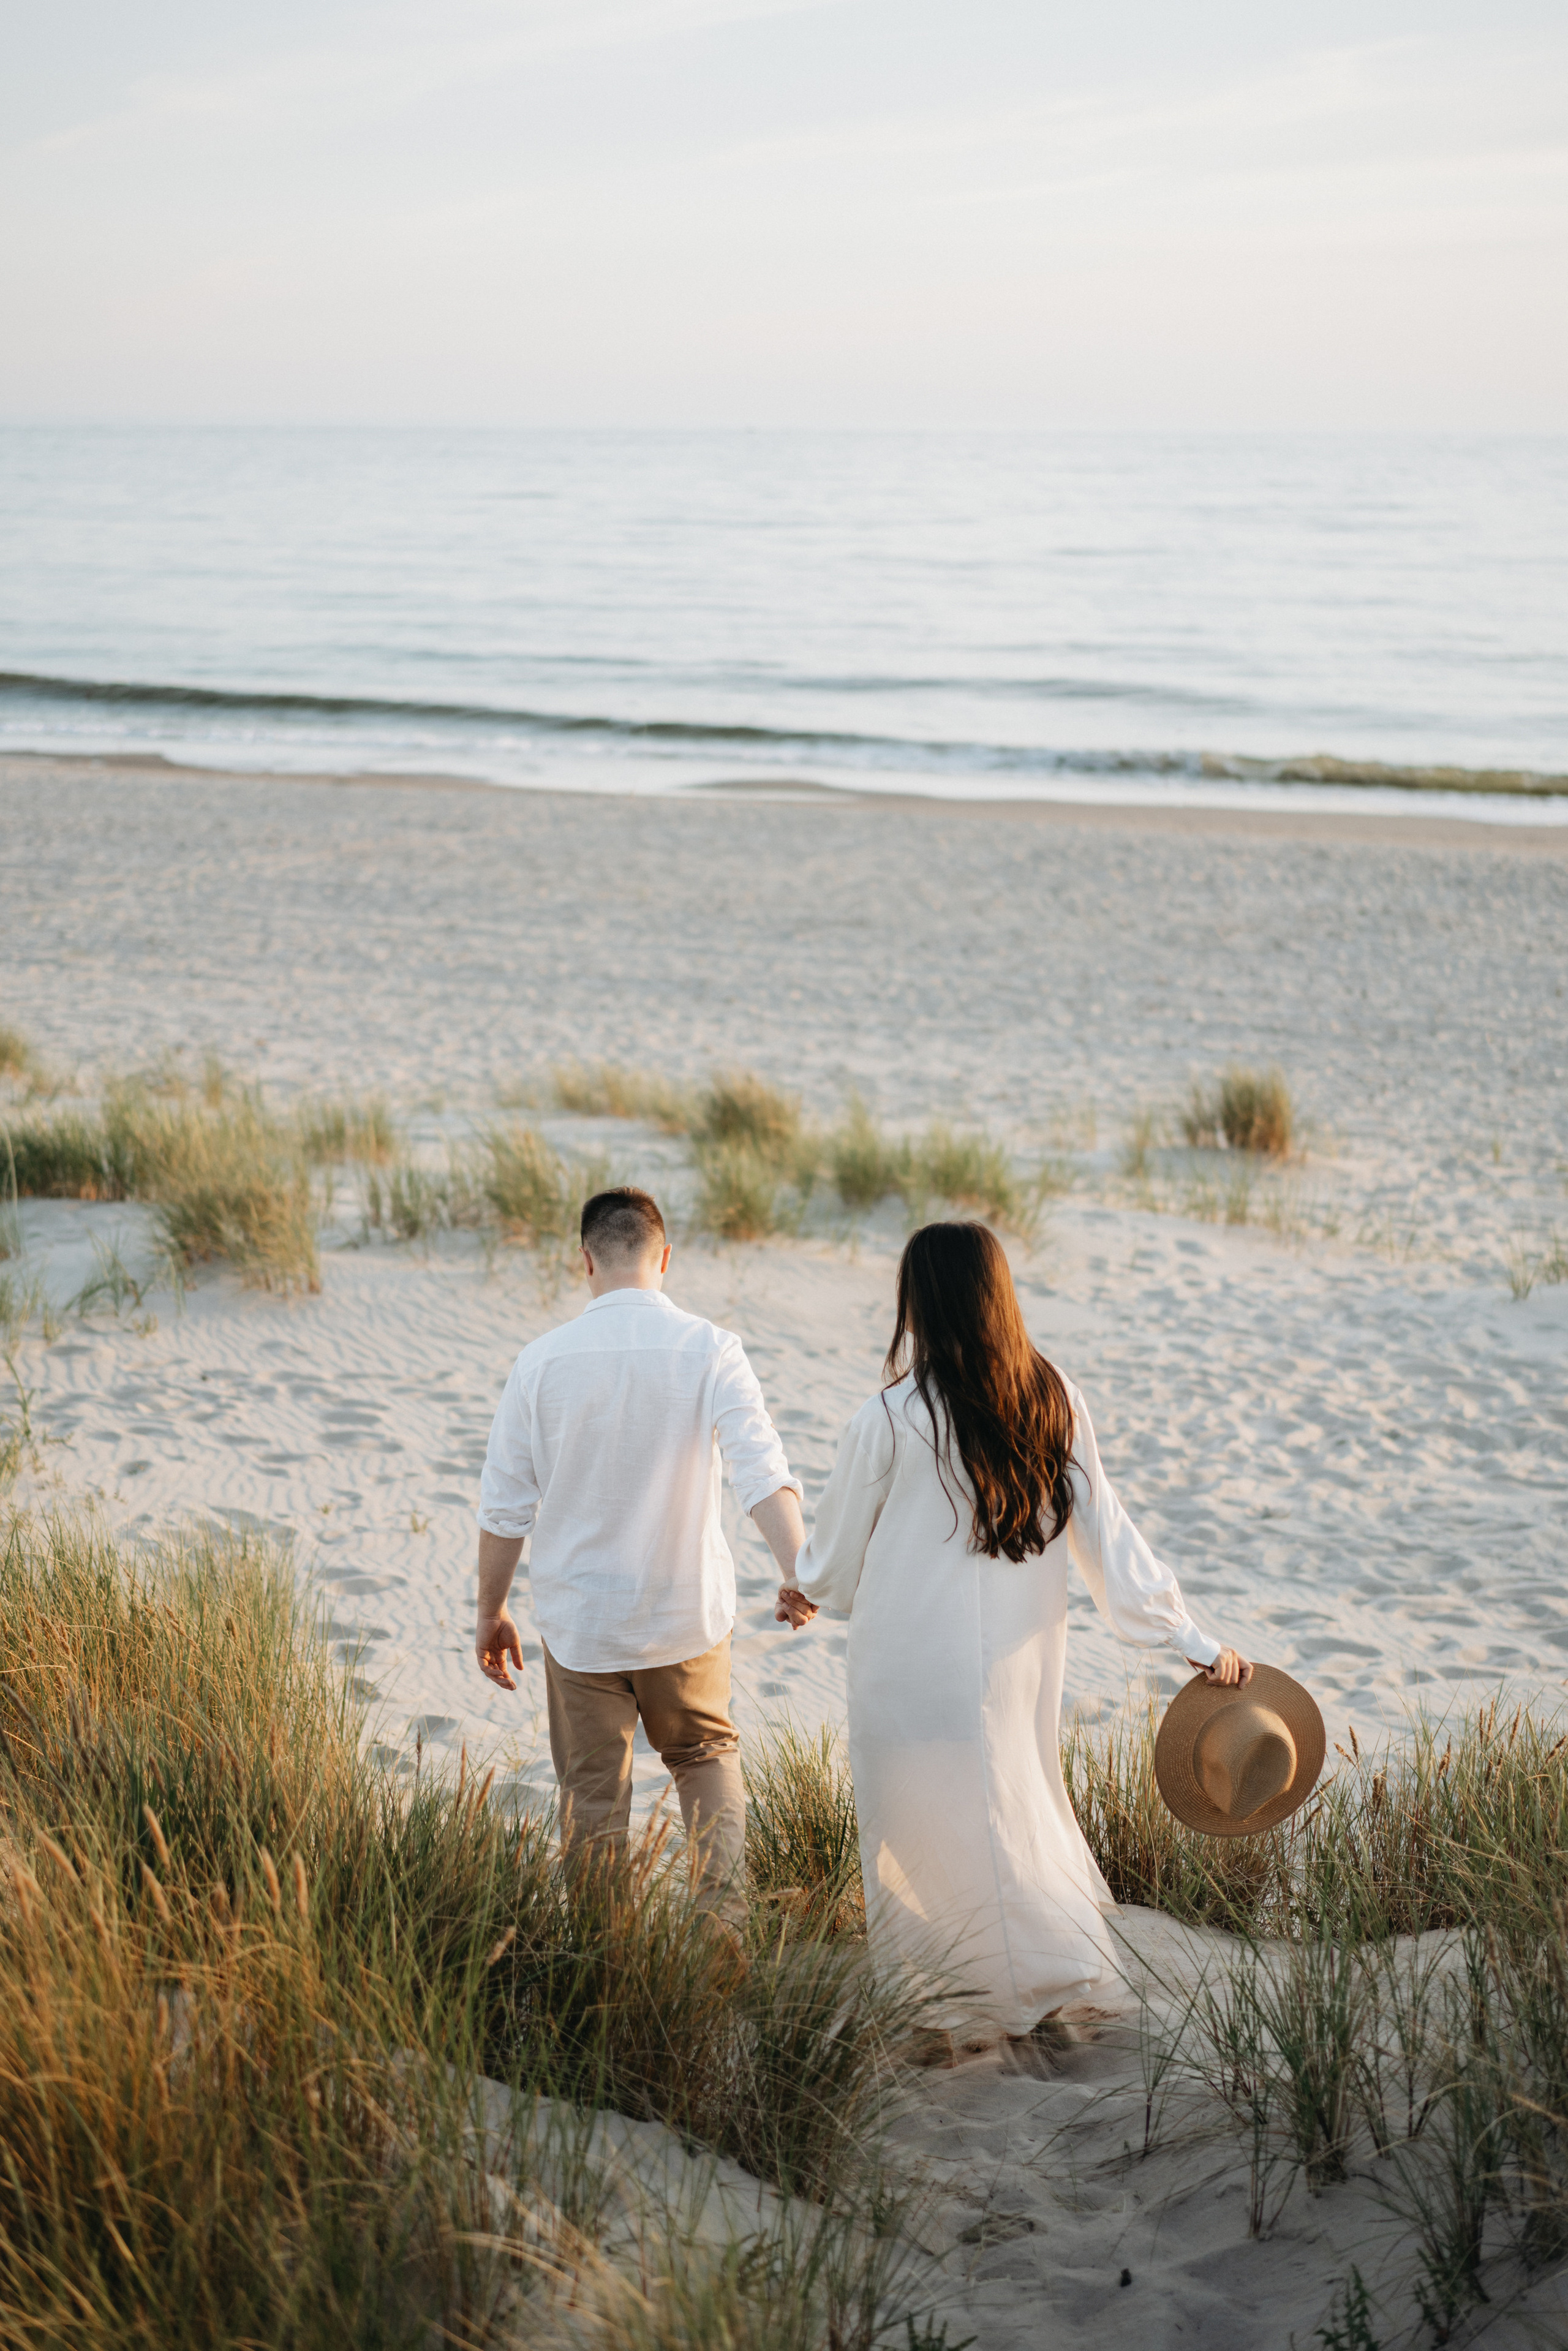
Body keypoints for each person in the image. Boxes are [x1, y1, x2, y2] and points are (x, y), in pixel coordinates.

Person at [775, 1221, 1251, 2041]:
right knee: (1015, 1809)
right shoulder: (1051, 1397)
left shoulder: (888, 1416)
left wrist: (806, 1588)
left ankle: (951, 2000)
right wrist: (1189, 1637)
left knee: (917, 1828)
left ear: (918, 1305)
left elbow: (834, 1558)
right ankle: (1046, 1980)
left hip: (905, 1665)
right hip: (1015, 1666)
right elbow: (1109, 1535)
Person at [473, 1185, 805, 1933]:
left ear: (585, 1260)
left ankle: (605, 1957)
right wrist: (795, 1569)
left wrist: (491, 1611)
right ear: (665, 1258)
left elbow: (504, 1507)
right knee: (704, 1756)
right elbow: (760, 1468)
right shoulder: (711, 1347)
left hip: (582, 1623)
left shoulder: (540, 1361)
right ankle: (721, 1932)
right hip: (684, 1615)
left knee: (592, 1794)